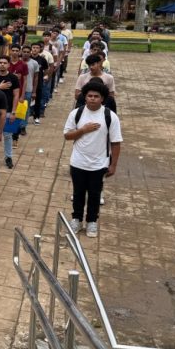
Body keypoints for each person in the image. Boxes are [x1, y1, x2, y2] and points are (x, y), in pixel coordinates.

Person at [64, 81, 122, 238]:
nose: (92, 99)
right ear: (85, 97)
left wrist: (113, 165)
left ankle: (92, 221)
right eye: (89, 96)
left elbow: (116, 142)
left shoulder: (110, 116)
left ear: (102, 98)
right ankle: (76, 219)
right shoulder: (76, 113)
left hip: (99, 164)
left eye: (96, 96)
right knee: (78, 193)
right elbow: (67, 135)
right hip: (78, 161)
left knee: (95, 195)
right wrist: (82, 130)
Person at [0, 56, 20, 169]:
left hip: (8, 111)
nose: (2, 64)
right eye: (1, 62)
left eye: (5, 63)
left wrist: (14, 112)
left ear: (9, 65)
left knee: (8, 136)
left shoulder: (13, 78)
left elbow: (16, 95)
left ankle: (8, 157)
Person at [29, 43, 50, 125]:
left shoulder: (42, 59)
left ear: (39, 49)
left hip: (38, 83)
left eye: (37, 48)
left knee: (38, 100)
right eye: (33, 47)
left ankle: (36, 117)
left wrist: (45, 76)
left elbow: (46, 69)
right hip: (28, 82)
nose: (35, 49)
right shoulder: (27, 58)